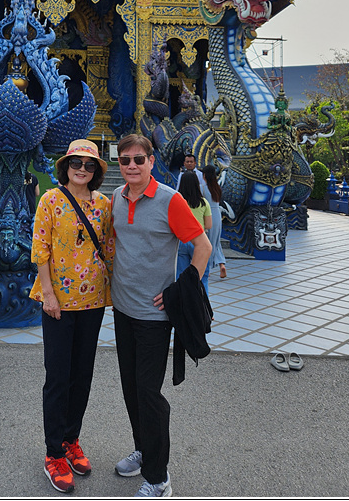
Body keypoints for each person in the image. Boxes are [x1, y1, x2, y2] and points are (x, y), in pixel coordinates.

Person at [111, 134, 211, 498]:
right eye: (125, 160)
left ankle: (158, 477)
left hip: (153, 316)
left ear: (151, 162)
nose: (132, 166)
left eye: (139, 159)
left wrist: (181, 290)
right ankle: (143, 449)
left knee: (149, 393)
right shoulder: (117, 198)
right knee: (130, 388)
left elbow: (203, 246)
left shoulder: (170, 199)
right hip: (122, 309)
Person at [30, 139, 114, 494]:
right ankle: (53, 453)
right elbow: (40, 249)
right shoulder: (50, 200)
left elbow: (110, 248)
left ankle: (71, 440)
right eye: (76, 163)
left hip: (93, 301)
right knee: (58, 377)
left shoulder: (104, 205)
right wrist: (48, 294)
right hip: (59, 304)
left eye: (89, 164)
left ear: (96, 171)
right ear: (65, 167)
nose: (82, 169)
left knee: (82, 375)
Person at [175, 172, 212, 292]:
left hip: (181, 241)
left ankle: (182, 300)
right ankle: (202, 300)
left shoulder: (177, 202)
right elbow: (209, 225)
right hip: (200, 242)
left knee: (181, 275)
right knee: (202, 277)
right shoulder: (204, 202)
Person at [201, 164, 227, 282]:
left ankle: (208, 267)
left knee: (208, 241)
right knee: (216, 241)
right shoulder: (217, 188)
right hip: (217, 214)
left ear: (204, 175)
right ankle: (222, 264)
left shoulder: (202, 188)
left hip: (207, 215)